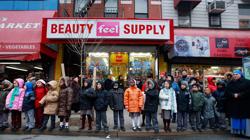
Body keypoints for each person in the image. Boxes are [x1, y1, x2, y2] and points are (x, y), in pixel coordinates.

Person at [225, 70, 250, 136]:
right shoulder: (230, 83)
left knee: (244, 118)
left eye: (236, 74)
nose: (235, 75)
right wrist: (233, 95)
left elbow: (248, 91)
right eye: (234, 74)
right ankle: (236, 132)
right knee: (235, 118)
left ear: (240, 74)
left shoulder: (247, 82)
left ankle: (244, 132)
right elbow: (227, 92)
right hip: (234, 104)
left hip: (244, 104)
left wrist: (240, 95)